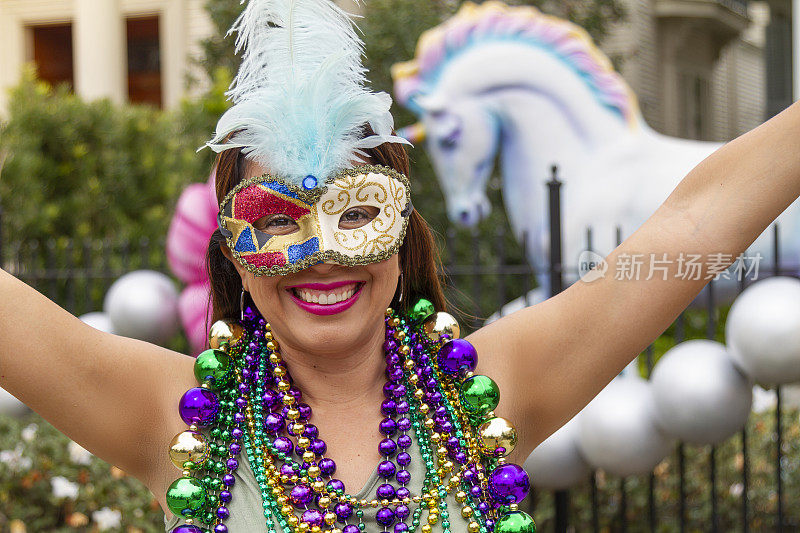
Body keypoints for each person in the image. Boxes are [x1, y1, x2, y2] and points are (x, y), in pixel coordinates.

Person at [2, 0, 800, 531]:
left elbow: (695, 218)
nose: (320, 256)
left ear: (402, 229)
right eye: (275, 221)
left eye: (356, 212)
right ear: (233, 259)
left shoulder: (490, 390)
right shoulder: (175, 417)